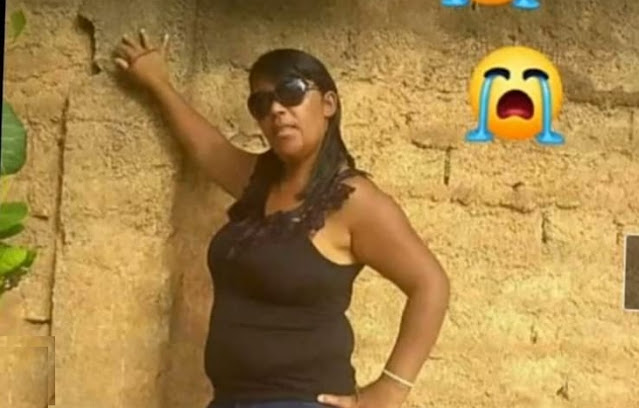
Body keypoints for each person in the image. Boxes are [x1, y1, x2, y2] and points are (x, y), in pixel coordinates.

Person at [114, 29, 450, 408]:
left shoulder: (352, 200)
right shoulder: (259, 182)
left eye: (291, 92)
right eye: (261, 103)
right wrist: (158, 83)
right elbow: (209, 149)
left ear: (328, 103)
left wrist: (389, 390)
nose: (276, 109)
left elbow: (430, 284)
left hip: (300, 399)